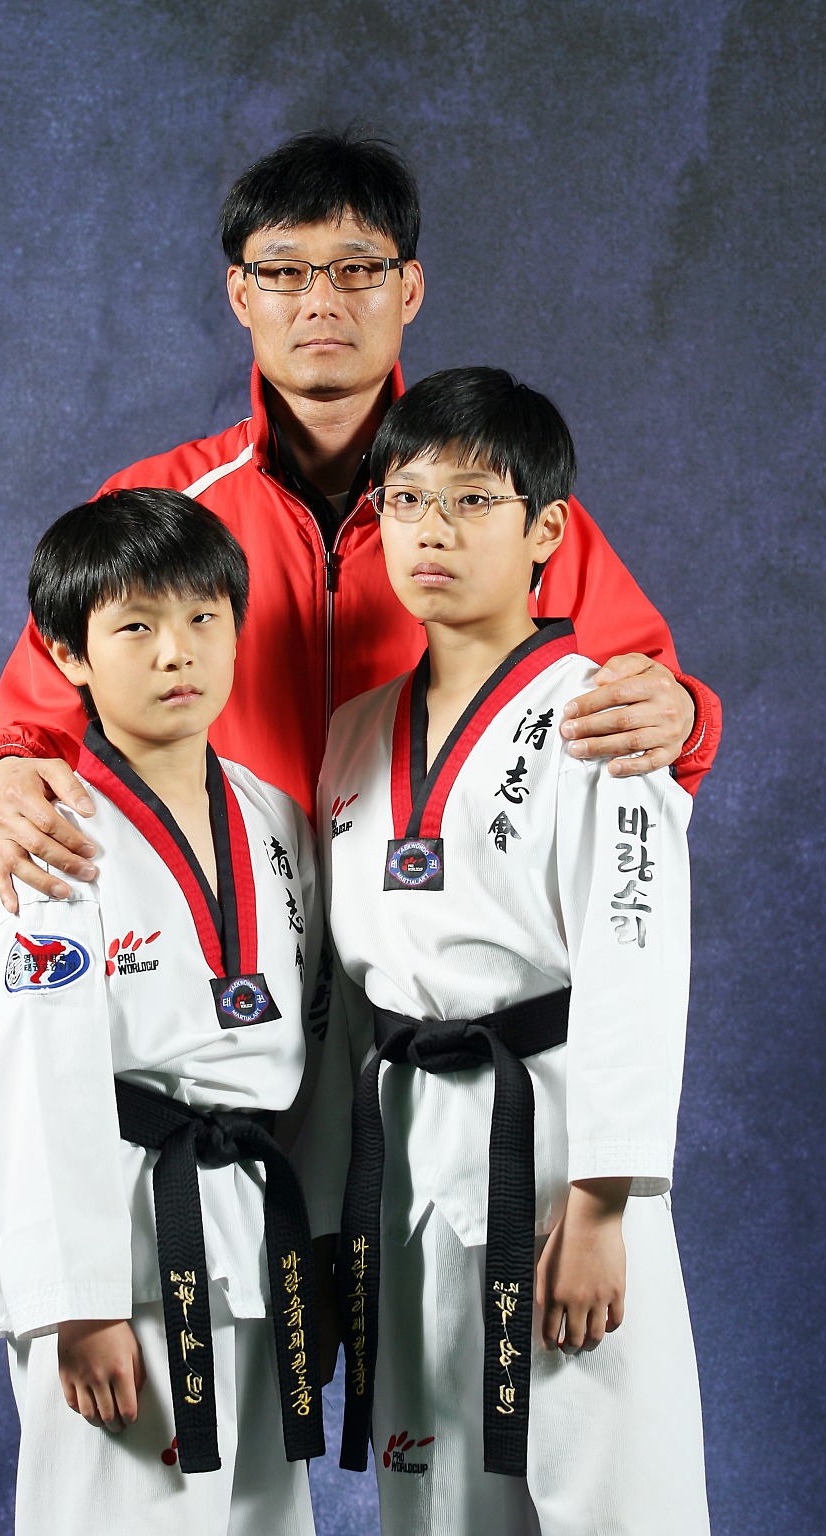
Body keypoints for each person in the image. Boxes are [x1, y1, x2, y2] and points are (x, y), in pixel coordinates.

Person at [0, 130, 721, 913]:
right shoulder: (159, 506)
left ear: (410, 289)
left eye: (358, 269)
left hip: (438, 935)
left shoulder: (498, 502)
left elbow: (646, 690)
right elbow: (39, 715)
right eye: (284, 272)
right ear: (240, 295)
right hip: (230, 924)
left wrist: (681, 714)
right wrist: (8, 773)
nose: (321, 302)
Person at [319, 368, 709, 1534]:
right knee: (433, 1493)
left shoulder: (606, 712)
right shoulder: (351, 734)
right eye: (404, 500)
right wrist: (338, 1212)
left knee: (611, 1495)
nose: (431, 530)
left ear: (546, 530)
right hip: (405, 1166)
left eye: (472, 501)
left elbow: (638, 965)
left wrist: (603, 1204)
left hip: (553, 1158)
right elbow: (347, 1004)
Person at [0, 489, 339, 1536]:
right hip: (121, 1250)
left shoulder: (274, 817)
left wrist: (316, 1247)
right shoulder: (53, 832)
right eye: (135, 627)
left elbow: (316, 1035)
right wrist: (78, 1303)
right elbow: (25, 1073)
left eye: (204, 617)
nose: (178, 652)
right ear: (66, 654)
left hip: (252, 1240)